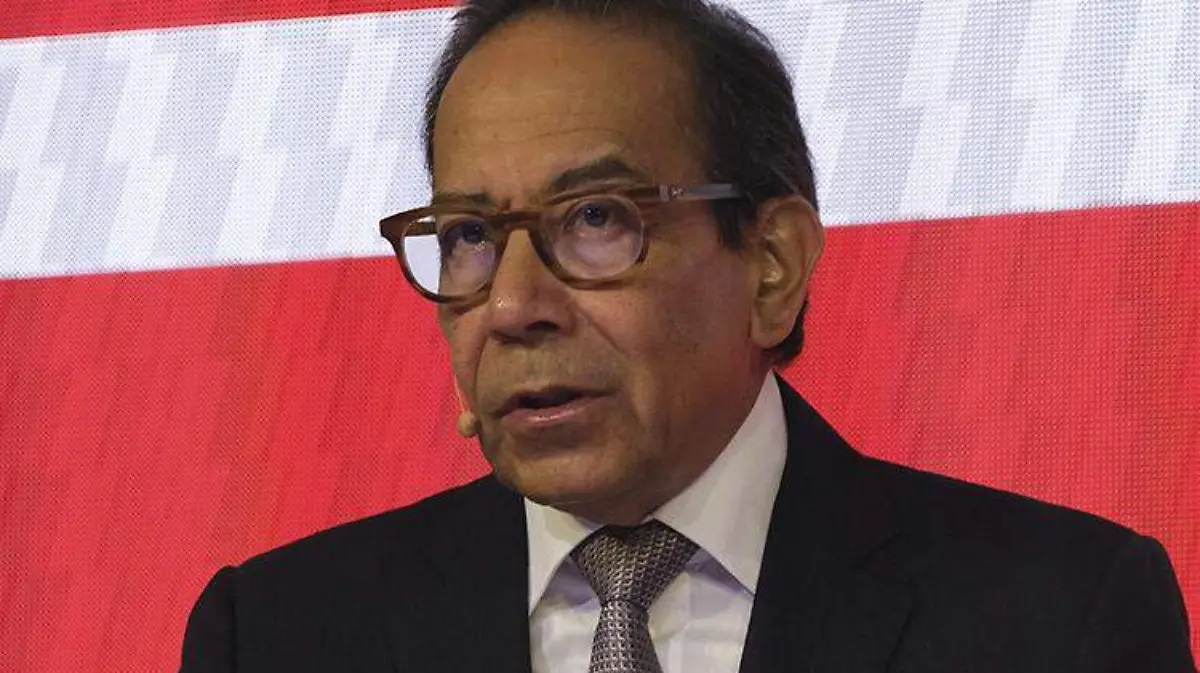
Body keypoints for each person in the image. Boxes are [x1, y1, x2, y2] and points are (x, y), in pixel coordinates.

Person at [179, 1, 1195, 671]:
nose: (514, 305)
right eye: (470, 236)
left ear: (772, 264)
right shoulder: (277, 636)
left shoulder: (1058, 622)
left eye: (596, 218)